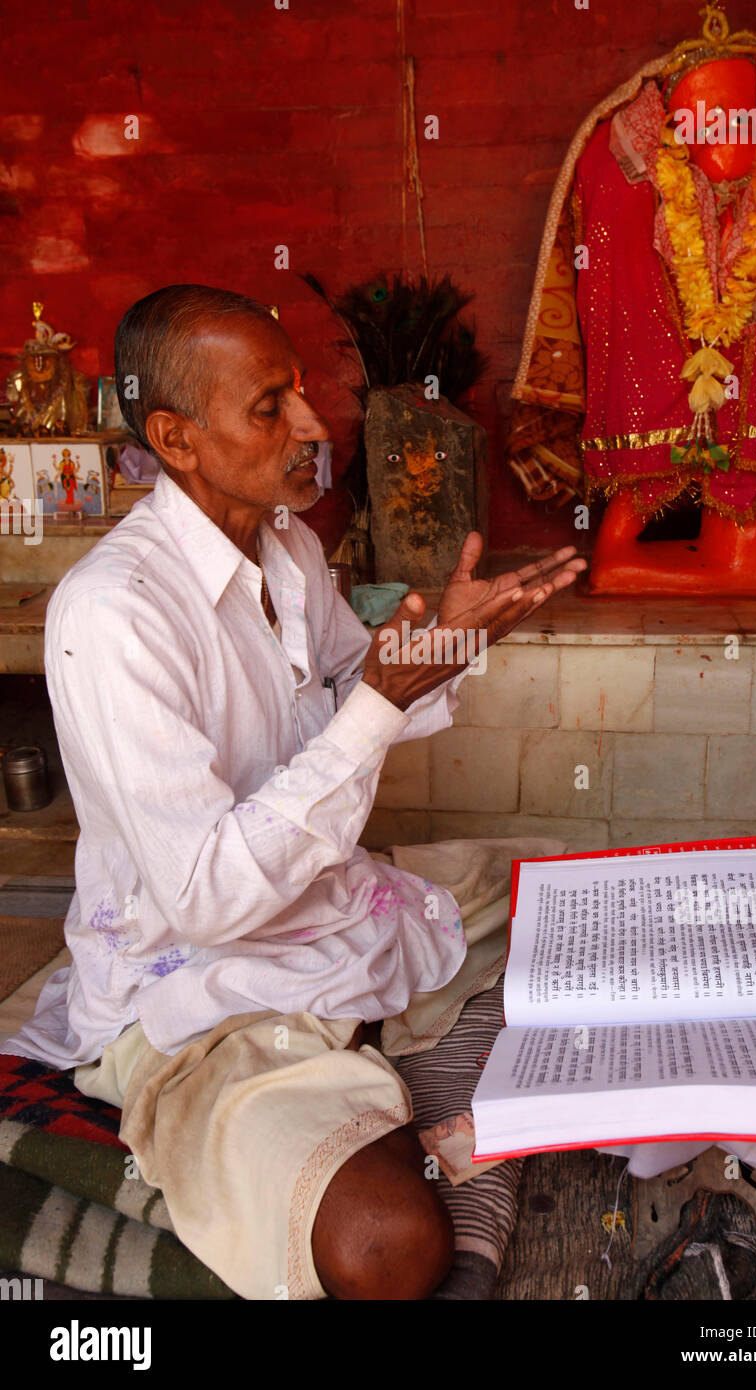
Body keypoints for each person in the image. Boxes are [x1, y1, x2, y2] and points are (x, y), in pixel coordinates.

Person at [5, 284, 584, 1301]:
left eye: (301, 396)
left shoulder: (289, 549)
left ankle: (367, 1047)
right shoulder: (112, 614)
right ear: (176, 437)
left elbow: (348, 709)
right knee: (387, 1244)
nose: (310, 428)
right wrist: (374, 699)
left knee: (573, 910)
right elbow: (210, 897)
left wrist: (446, 647)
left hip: (318, 900)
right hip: (193, 982)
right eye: (269, 407)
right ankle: (349, 1080)